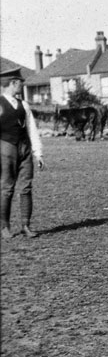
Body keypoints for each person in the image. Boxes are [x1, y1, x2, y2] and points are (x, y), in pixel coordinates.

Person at [0, 67, 44, 239]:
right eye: (20, 83)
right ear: (13, 83)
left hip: (24, 149)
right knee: (6, 188)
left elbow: (32, 129)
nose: (21, 86)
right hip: (6, 149)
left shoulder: (24, 105)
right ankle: (4, 226)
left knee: (26, 187)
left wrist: (38, 153)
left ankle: (26, 225)